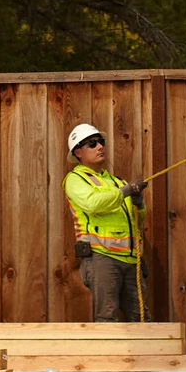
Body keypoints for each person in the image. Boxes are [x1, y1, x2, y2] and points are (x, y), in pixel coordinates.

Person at [62, 122, 149, 322]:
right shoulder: (75, 179)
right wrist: (126, 192)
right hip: (102, 258)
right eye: (92, 144)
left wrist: (139, 204)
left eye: (100, 142)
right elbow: (93, 204)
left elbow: (137, 220)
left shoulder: (117, 182)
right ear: (78, 153)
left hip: (131, 259)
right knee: (107, 317)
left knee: (141, 319)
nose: (100, 146)